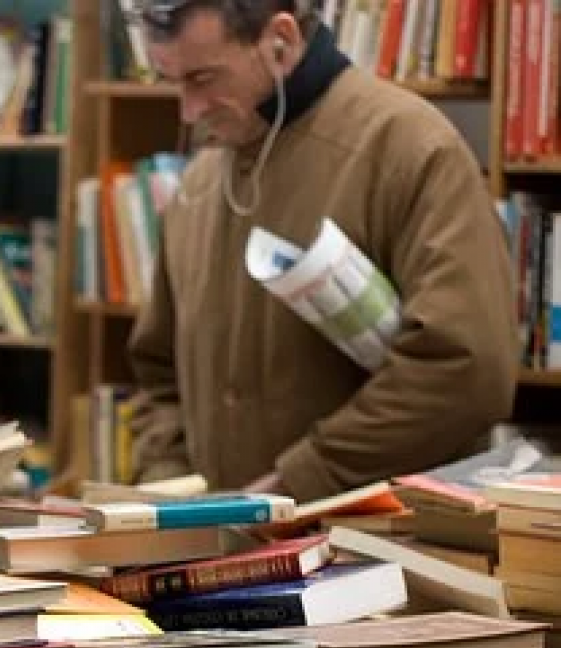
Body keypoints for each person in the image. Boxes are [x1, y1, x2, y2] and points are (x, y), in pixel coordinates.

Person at [127, 0, 518, 501]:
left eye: (203, 79)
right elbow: (158, 373)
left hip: (381, 552)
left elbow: (466, 372)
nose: (189, 111)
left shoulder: (411, 151)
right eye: (172, 81)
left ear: (281, 42)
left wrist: (304, 479)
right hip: (218, 551)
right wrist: (167, 489)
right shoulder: (200, 183)